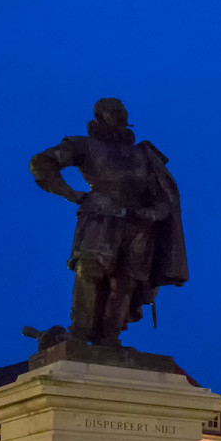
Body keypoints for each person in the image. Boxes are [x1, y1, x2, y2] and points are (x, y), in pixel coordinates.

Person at [29, 98, 187, 346]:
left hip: (138, 226)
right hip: (100, 218)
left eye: (123, 111)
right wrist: (69, 192)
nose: (121, 116)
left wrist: (154, 213)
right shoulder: (84, 146)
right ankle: (79, 334)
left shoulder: (144, 155)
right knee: (89, 269)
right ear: (100, 117)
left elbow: (165, 199)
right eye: (114, 112)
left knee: (125, 282)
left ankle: (109, 339)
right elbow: (40, 163)